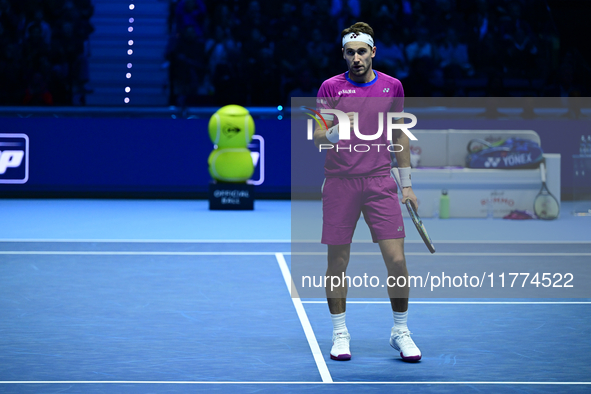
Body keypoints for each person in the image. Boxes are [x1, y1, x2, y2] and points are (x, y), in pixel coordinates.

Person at [313, 22, 421, 362]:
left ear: (373, 52)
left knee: (397, 261)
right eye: (350, 52)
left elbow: (400, 137)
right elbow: (318, 136)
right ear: (343, 54)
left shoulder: (393, 87)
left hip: (379, 183)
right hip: (340, 184)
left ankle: (400, 330)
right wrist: (336, 131)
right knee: (337, 263)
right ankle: (340, 332)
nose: (356, 58)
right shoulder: (330, 87)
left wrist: (406, 184)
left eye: (362, 51)